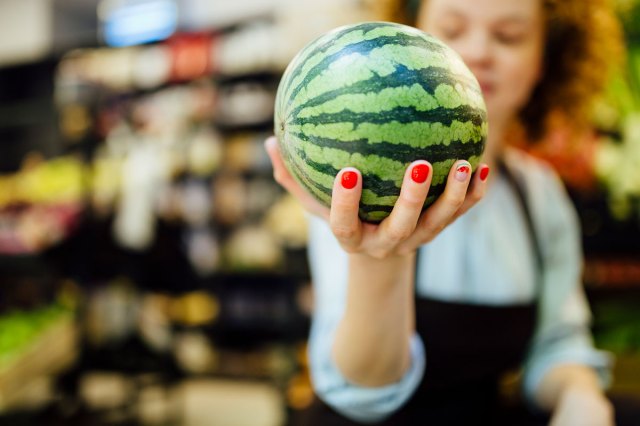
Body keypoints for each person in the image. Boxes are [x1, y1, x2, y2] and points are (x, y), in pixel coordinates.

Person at [266, 0, 636, 424]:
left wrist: (580, 397)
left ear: (543, 62)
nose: (477, 51)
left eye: (508, 36)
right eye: (453, 29)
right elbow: (360, 396)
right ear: (409, 38)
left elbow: (556, 346)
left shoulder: (540, 195)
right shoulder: (360, 178)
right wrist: (380, 260)